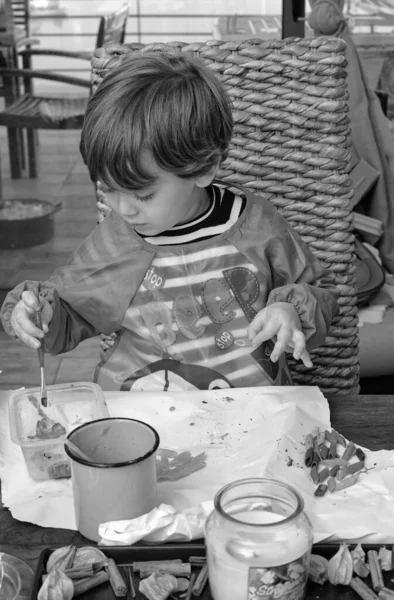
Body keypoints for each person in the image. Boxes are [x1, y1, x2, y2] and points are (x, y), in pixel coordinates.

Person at [0, 52, 340, 392]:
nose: (121, 208)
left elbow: (318, 292)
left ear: (204, 168)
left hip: (253, 416)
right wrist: (40, 315)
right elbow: (72, 311)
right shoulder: (117, 240)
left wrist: (290, 310)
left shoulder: (255, 226)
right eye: (108, 189)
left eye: (142, 195)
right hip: (146, 419)